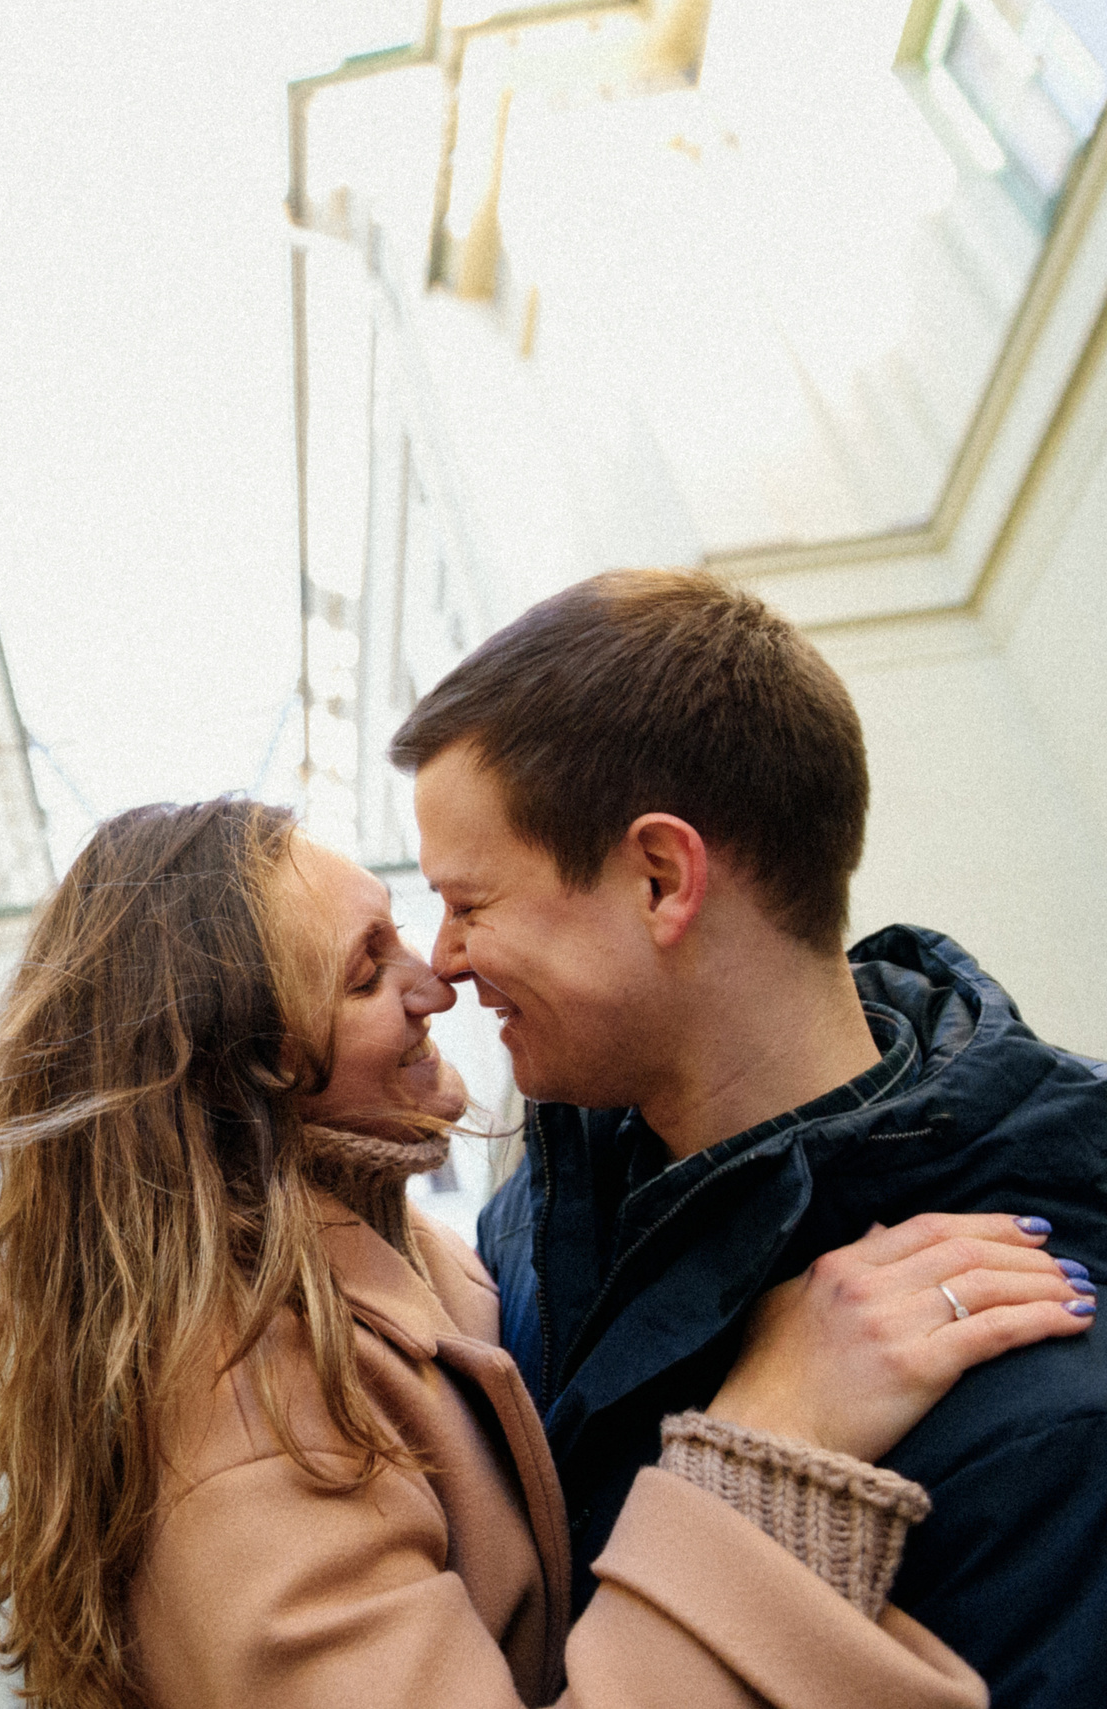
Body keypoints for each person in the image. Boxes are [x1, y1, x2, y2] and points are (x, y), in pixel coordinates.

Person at [0, 796, 1090, 1709]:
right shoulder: (240, 1401)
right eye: (368, 968)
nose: (438, 981)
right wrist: (771, 1438)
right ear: (246, 1074)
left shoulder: (422, 1264)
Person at [390, 568, 1107, 1709]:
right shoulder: (533, 1214)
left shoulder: (1044, 1379)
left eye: (468, 901)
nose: (442, 961)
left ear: (661, 877)